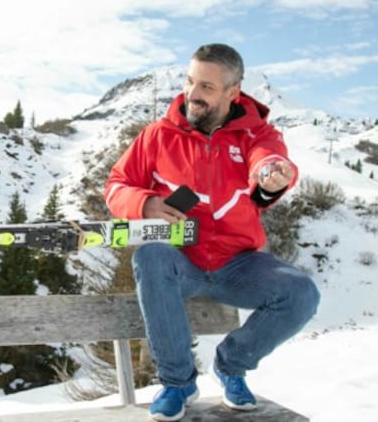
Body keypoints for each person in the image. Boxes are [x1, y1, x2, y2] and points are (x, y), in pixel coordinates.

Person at [104, 43, 320, 421]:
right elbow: (116, 185)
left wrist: (272, 174)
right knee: (150, 255)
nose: (192, 93)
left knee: (301, 293)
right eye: (189, 81)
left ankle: (231, 365)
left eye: (206, 86)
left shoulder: (256, 134)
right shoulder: (157, 136)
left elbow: (268, 162)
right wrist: (144, 204)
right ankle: (177, 382)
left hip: (238, 266)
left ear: (232, 92)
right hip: (179, 262)